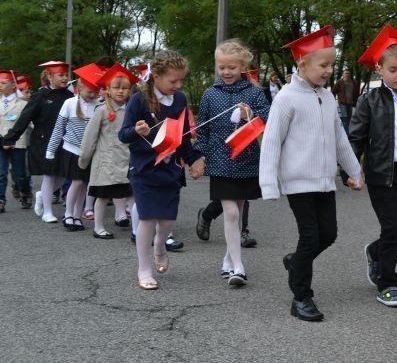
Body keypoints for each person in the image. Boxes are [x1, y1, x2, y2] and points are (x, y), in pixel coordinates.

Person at [259, 25, 363, 321]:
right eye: (324, 65)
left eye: (332, 64)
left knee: (328, 234)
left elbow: (339, 138)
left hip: (325, 181)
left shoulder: (328, 97)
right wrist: (269, 184)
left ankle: (295, 262)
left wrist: (354, 170)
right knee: (310, 236)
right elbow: (271, 142)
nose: (329, 70)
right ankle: (301, 296)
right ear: (302, 64)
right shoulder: (286, 99)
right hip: (298, 182)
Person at [347, 25, 397, 307]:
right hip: (381, 176)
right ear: (379, 69)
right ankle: (387, 282)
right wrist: (350, 171)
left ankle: (375, 251)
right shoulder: (368, 101)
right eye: (393, 69)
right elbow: (355, 137)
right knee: (393, 229)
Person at [118, 50, 204, 290]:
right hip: (144, 169)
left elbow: (184, 137)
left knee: (167, 221)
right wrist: (138, 130)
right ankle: (144, 269)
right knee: (146, 218)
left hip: (170, 169)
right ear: (156, 76)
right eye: (173, 81)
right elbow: (123, 134)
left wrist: (195, 159)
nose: (178, 85)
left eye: (181, 80)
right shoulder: (138, 99)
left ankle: (160, 244)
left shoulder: (179, 99)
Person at [193, 40, 269, 286]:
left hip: (246, 160)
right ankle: (238, 267)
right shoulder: (209, 94)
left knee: (235, 213)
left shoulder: (255, 92)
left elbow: (269, 118)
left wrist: (252, 115)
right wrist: (198, 157)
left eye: (232, 68)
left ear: (243, 67)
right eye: (222, 67)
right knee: (232, 213)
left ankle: (228, 260)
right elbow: (202, 131)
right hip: (219, 161)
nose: (226, 72)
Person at [3, 62, 72, 223]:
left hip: (64, 141)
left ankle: (42, 194)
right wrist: (11, 137)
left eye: (65, 75)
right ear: (49, 76)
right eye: (60, 75)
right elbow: (25, 118)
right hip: (44, 141)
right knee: (49, 175)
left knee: (62, 175)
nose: (64, 78)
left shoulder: (69, 96)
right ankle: (47, 211)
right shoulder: (41, 95)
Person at [78, 63, 139, 239]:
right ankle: (98, 227)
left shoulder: (132, 111)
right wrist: (84, 158)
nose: (120, 91)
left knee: (131, 195)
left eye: (125, 88)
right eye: (116, 88)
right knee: (103, 196)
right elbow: (90, 137)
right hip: (106, 161)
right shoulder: (102, 111)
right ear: (107, 90)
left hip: (127, 160)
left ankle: (137, 229)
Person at [45, 63, 104, 231]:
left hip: (89, 152)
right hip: (72, 150)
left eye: (95, 92)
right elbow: (59, 127)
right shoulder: (69, 103)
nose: (92, 95)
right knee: (76, 182)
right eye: (89, 92)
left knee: (85, 185)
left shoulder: (99, 105)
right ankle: (69, 214)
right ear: (79, 87)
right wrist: (51, 149)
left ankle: (77, 216)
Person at [0, 71, 32, 211]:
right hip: (1, 143)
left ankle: (25, 192)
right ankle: (1, 200)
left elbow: (29, 124)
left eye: (3, 83)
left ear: (13, 85)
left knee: (20, 173)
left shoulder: (23, 104)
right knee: (1, 173)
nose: (0, 85)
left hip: (17, 143)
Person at [332, 68, 360, 134]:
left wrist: (356, 102)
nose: (347, 75)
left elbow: (356, 93)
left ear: (350, 75)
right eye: (345, 73)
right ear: (343, 74)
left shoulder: (353, 82)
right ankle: (346, 134)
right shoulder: (339, 82)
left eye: (348, 73)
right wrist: (332, 100)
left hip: (350, 103)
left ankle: (343, 131)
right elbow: (333, 91)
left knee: (349, 119)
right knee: (344, 118)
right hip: (342, 103)